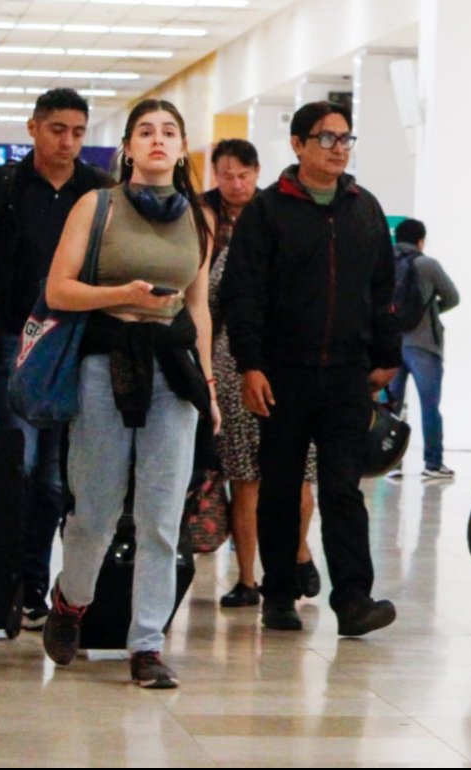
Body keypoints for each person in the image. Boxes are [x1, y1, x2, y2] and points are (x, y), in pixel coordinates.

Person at [40, 98, 215, 690]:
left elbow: (198, 306)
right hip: (103, 363)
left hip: (174, 369)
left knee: (162, 516)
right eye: (146, 132)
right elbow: (59, 290)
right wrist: (124, 294)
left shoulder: (198, 217)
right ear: (130, 149)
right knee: (95, 508)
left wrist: (210, 385)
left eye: (169, 131)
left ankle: (146, 644)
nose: (158, 140)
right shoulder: (99, 206)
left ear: (182, 147)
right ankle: (71, 600)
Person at [221, 100, 401, 636]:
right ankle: (278, 594)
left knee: (344, 489)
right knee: (279, 488)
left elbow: (383, 289)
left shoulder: (363, 208)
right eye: (326, 138)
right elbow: (242, 294)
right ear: (297, 144)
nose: (339, 147)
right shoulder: (268, 210)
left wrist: (386, 354)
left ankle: (353, 600)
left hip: (347, 373)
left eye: (346, 138)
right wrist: (250, 365)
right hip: (283, 373)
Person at [0, 87, 112, 629]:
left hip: (81, 343)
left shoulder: (100, 192)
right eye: (57, 129)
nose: (68, 142)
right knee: (22, 467)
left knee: (63, 477)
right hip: (18, 340)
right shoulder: (1, 187)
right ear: (33, 127)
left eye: (78, 132)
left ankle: (38, 582)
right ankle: (10, 584)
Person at [203, 139, 321, 609]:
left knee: (278, 474)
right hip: (250, 365)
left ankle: (281, 560)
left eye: (244, 175)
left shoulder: (263, 225)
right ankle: (264, 569)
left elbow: (211, 299)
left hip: (271, 361)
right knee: (260, 475)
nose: (236, 184)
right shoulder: (206, 220)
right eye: (227, 175)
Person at [386, 218, 460, 479]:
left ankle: (389, 463)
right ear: (421, 241)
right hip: (424, 344)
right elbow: (453, 296)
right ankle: (433, 463)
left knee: (390, 407)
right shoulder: (427, 265)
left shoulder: (384, 263)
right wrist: (430, 313)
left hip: (391, 344)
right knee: (430, 405)